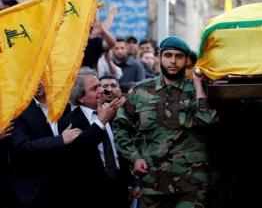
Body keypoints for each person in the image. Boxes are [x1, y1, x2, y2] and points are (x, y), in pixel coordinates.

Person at [113, 36, 218, 208]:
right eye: (168, 55)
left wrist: (199, 87)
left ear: (186, 60)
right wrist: (134, 158)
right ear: (159, 57)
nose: (173, 61)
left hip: (191, 184)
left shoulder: (198, 90)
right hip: (153, 182)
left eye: (179, 56)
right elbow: (121, 127)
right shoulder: (140, 91)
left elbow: (208, 122)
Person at [58, 67, 128, 208]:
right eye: (94, 88)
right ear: (80, 97)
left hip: (120, 190)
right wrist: (100, 122)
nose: (102, 90)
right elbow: (79, 151)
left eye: (100, 86)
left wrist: (131, 183)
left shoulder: (113, 112)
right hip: (91, 195)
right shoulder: (69, 122)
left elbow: (120, 148)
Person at [8, 81, 82, 208]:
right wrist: (60, 140)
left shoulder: (64, 106)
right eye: (32, 79)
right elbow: (22, 147)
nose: (37, 84)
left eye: (41, 79)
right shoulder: (18, 110)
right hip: (35, 190)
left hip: (66, 186)